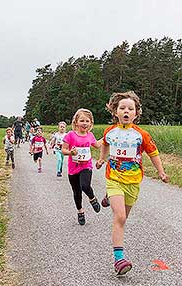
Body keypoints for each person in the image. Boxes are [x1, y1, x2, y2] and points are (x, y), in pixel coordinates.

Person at [96, 91, 169, 275]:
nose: (126, 111)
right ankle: (119, 259)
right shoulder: (110, 131)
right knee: (119, 217)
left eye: (130, 108)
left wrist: (160, 172)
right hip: (114, 179)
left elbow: (153, 153)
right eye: (122, 108)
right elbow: (104, 144)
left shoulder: (141, 135)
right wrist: (102, 159)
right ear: (115, 112)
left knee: (123, 218)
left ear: (136, 113)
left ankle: (109, 198)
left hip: (133, 182)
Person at [62, 108, 102, 225]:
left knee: (85, 185)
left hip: (86, 166)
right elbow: (64, 150)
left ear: (91, 123)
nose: (85, 123)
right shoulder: (70, 135)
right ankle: (80, 211)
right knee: (77, 192)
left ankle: (92, 198)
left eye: (87, 121)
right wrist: (70, 152)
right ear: (76, 122)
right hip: (73, 168)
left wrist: (107, 137)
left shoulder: (90, 135)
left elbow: (97, 145)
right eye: (82, 121)